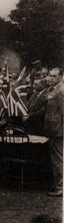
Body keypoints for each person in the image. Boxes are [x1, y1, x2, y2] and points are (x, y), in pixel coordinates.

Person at [44, 68, 64, 197]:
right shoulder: (53, 90)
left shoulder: (61, 91)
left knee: (58, 159)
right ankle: (58, 184)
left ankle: (61, 186)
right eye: (50, 76)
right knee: (55, 159)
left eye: (54, 76)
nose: (50, 78)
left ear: (61, 77)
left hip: (58, 131)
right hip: (52, 130)